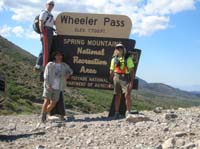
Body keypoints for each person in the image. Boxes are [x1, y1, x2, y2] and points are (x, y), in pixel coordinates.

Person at [41, 51, 73, 123]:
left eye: (60, 55)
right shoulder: (50, 64)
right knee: (46, 101)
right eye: (57, 55)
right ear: (55, 56)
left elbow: (71, 71)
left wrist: (68, 74)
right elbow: (46, 75)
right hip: (49, 86)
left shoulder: (64, 65)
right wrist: (48, 84)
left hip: (58, 87)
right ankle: (43, 117)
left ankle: (45, 113)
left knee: (53, 103)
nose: (59, 57)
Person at [110, 43, 135, 120]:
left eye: (120, 48)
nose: (119, 49)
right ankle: (116, 113)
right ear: (116, 50)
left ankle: (128, 112)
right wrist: (111, 79)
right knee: (117, 95)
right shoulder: (114, 59)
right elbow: (111, 70)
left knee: (127, 95)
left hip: (125, 77)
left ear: (123, 49)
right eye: (117, 48)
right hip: (116, 77)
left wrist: (131, 81)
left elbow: (131, 71)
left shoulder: (128, 58)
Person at [35, 0, 55, 70]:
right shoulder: (44, 12)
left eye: (52, 5)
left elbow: (53, 23)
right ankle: (41, 65)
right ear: (46, 5)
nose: (51, 6)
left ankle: (40, 64)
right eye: (50, 4)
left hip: (50, 31)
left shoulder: (51, 15)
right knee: (45, 49)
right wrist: (42, 33)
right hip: (46, 31)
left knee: (46, 48)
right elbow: (41, 22)